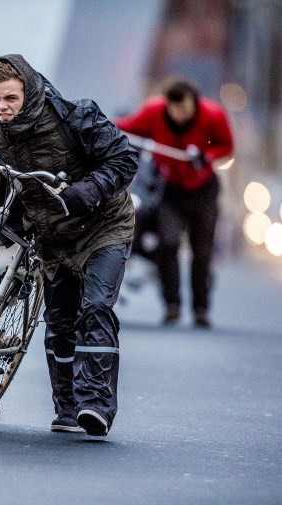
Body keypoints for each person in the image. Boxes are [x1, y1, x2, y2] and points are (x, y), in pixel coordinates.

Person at [0, 54, 138, 436]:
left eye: (10, 98)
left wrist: (91, 187)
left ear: (28, 89)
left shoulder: (74, 117)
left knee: (95, 308)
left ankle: (96, 405)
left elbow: (125, 158)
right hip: (52, 234)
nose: (2, 108)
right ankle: (69, 409)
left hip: (102, 227)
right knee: (59, 323)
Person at [116, 77, 234, 328]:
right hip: (170, 191)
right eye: (175, 108)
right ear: (167, 105)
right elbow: (128, 127)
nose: (180, 114)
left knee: (201, 251)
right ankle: (172, 304)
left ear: (195, 104)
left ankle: (200, 307)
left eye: (185, 108)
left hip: (203, 190)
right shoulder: (154, 113)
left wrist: (207, 154)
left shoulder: (213, 116)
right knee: (168, 244)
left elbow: (225, 145)